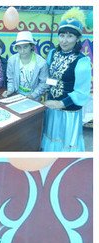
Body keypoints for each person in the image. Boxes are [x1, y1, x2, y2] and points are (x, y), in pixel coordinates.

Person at [41, 8, 91, 152]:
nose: (64, 40)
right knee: (51, 138)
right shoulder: (53, 53)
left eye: (70, 36)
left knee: (64, 145)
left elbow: (82, 92)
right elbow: (50, 78)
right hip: (51, 106)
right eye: (62, 35)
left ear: (77, 38)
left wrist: (60, 103)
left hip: (68, 111)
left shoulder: (82, 61)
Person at [3, 31, 48, 101]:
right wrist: (10, 90)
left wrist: (33, 95)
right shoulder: (12, 60)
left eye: (25, 47)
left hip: (34, 98)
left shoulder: (41, 63)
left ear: (31, 46)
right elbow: (10, 79)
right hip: (16, 95)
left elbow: (44, 83)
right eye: (19, 47)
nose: (22, 51)